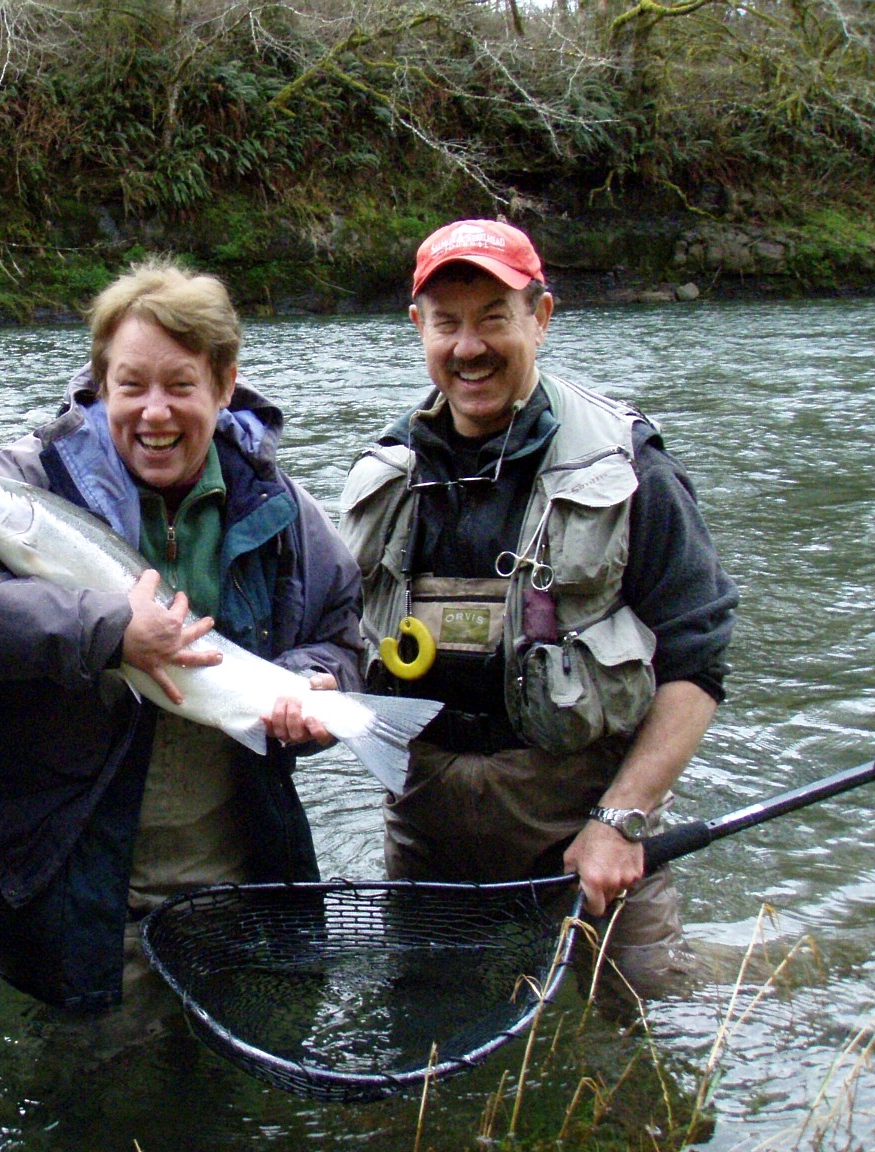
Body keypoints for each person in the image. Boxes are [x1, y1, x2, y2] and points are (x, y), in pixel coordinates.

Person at [0, 257, 366, 1011]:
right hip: (72, 889)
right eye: (130, 386)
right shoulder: (27, 480)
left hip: (234, 890)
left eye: (180, 386)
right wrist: (108, 628)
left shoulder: (281, 506)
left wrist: (319, 686)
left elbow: (341, 637)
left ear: (225, 386)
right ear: (101, 383)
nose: (153, 412)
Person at [338, 219, 737, 994]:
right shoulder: (384, 476)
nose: (470, 346)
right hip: (428, 839)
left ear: (541, 318)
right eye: (448, 322)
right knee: (426, 1052)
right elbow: (330, 635)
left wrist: (620, 822)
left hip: (587, 832)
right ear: (418, 329)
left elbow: (697, 661)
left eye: (495, 317)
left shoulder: (628, 469)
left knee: (641, 1042)